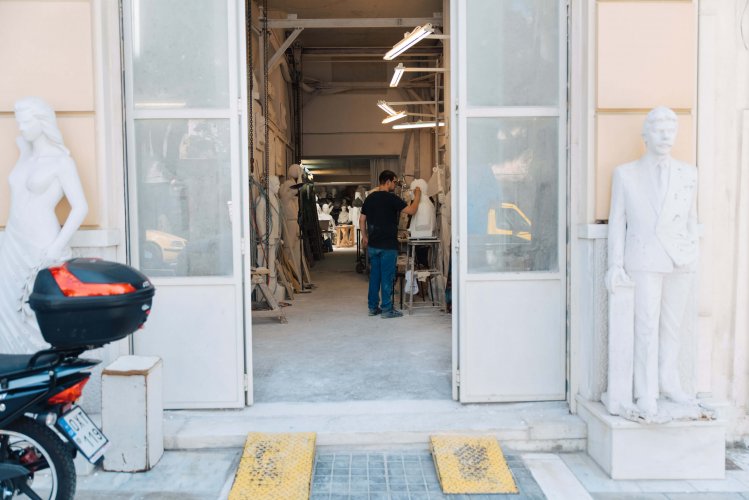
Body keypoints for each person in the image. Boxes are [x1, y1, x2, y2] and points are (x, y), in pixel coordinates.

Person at [606, 106, 699, 417]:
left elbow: (690, 219)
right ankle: (645, 392)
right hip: (643, 257)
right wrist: (615, 263)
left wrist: (692, 254)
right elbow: (617, 221)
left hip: (680, 260)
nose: (665, 136)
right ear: (645, 136)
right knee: (646, 327)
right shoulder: (626, 173)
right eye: (659, 130)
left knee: (673, 327)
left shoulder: (689, 173)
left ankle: (668, 381)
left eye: (670, 130)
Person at [0, 97, 89, 353]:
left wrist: (57, 245)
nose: (22, 128)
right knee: (8, 308)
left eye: (26, 122)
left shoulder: (61, 161)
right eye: (19, 122)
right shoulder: (25, 156)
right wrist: (24, 150)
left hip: (42, 241)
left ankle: (44, 368)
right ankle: (16, 366)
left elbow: (80, 207)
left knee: (36, 306)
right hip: (13, 240)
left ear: (41, 122)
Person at [360, 170, 420, 318]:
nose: (395, 185)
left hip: (373, 245)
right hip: (387, 246)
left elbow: (362, 220)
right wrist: (417, 196)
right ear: (387, 182)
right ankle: (387, 309)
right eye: (394, 182)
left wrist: (364, 236)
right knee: (387, 277)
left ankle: (373, 307)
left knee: (375, 277)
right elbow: (412, 210)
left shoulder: (370, 198)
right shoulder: (392, 199)